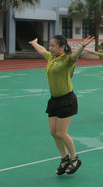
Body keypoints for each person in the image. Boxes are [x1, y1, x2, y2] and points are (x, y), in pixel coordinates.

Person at [29, 35, 94, 175]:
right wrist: (34, 43)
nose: (50, 48)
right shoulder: (51, 57)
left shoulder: (66, 60)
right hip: (54, 100)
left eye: (53, 46)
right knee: (53, 132)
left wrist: (82, 47)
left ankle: (75, 158)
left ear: (62, 47)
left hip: (67, 100)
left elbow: (74, 57)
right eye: (50, 45)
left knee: (61, 133)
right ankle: (64, 159)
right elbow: (41, 50)